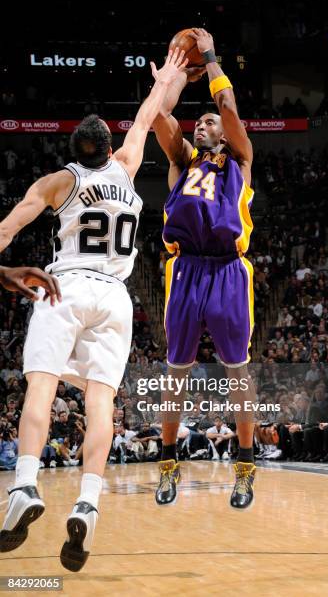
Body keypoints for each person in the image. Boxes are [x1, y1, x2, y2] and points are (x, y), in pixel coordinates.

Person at [0, 48, 188, 571]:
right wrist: (168, 80)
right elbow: (149, 116)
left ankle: (24, 486)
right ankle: (88, 502)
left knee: (41, 385)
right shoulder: (126, 171)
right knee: (101, 401)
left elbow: (7, 230)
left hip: (65, 287)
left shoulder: (59, 182)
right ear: (108, 147)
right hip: (116, 297)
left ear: (74, 151)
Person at [152, 28, 256, 509]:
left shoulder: (240, 159)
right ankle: (168, 464)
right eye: (202, 122)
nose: (204, 125)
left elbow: (231, 110)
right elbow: (159, 116)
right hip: (187, 269)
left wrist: (211, 60)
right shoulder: (183, 160)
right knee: (175, 374)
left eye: (210, 122)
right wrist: (171, 80)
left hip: (229, 271)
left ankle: (245, 466)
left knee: (238, 373)